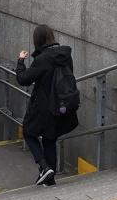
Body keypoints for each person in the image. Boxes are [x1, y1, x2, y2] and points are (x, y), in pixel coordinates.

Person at [16, 24, 78, 187]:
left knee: (28, 132)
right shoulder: (65, 55)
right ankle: (50, 179)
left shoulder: (43, 59)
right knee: (50, 138)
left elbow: (23, 79)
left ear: (38, 40)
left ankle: (44, 168)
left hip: (43, 106)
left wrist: (21, 60)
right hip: (61, 103)